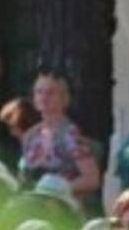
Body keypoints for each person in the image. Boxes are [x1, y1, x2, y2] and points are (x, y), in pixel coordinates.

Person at [19, 71, 101, 203]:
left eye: (51, 92)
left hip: (61, 207)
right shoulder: (30, 135)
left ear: (64, 98)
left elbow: (91, 180)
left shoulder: (70, 134)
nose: (44, 97)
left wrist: (57, 189)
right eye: (39, 92)